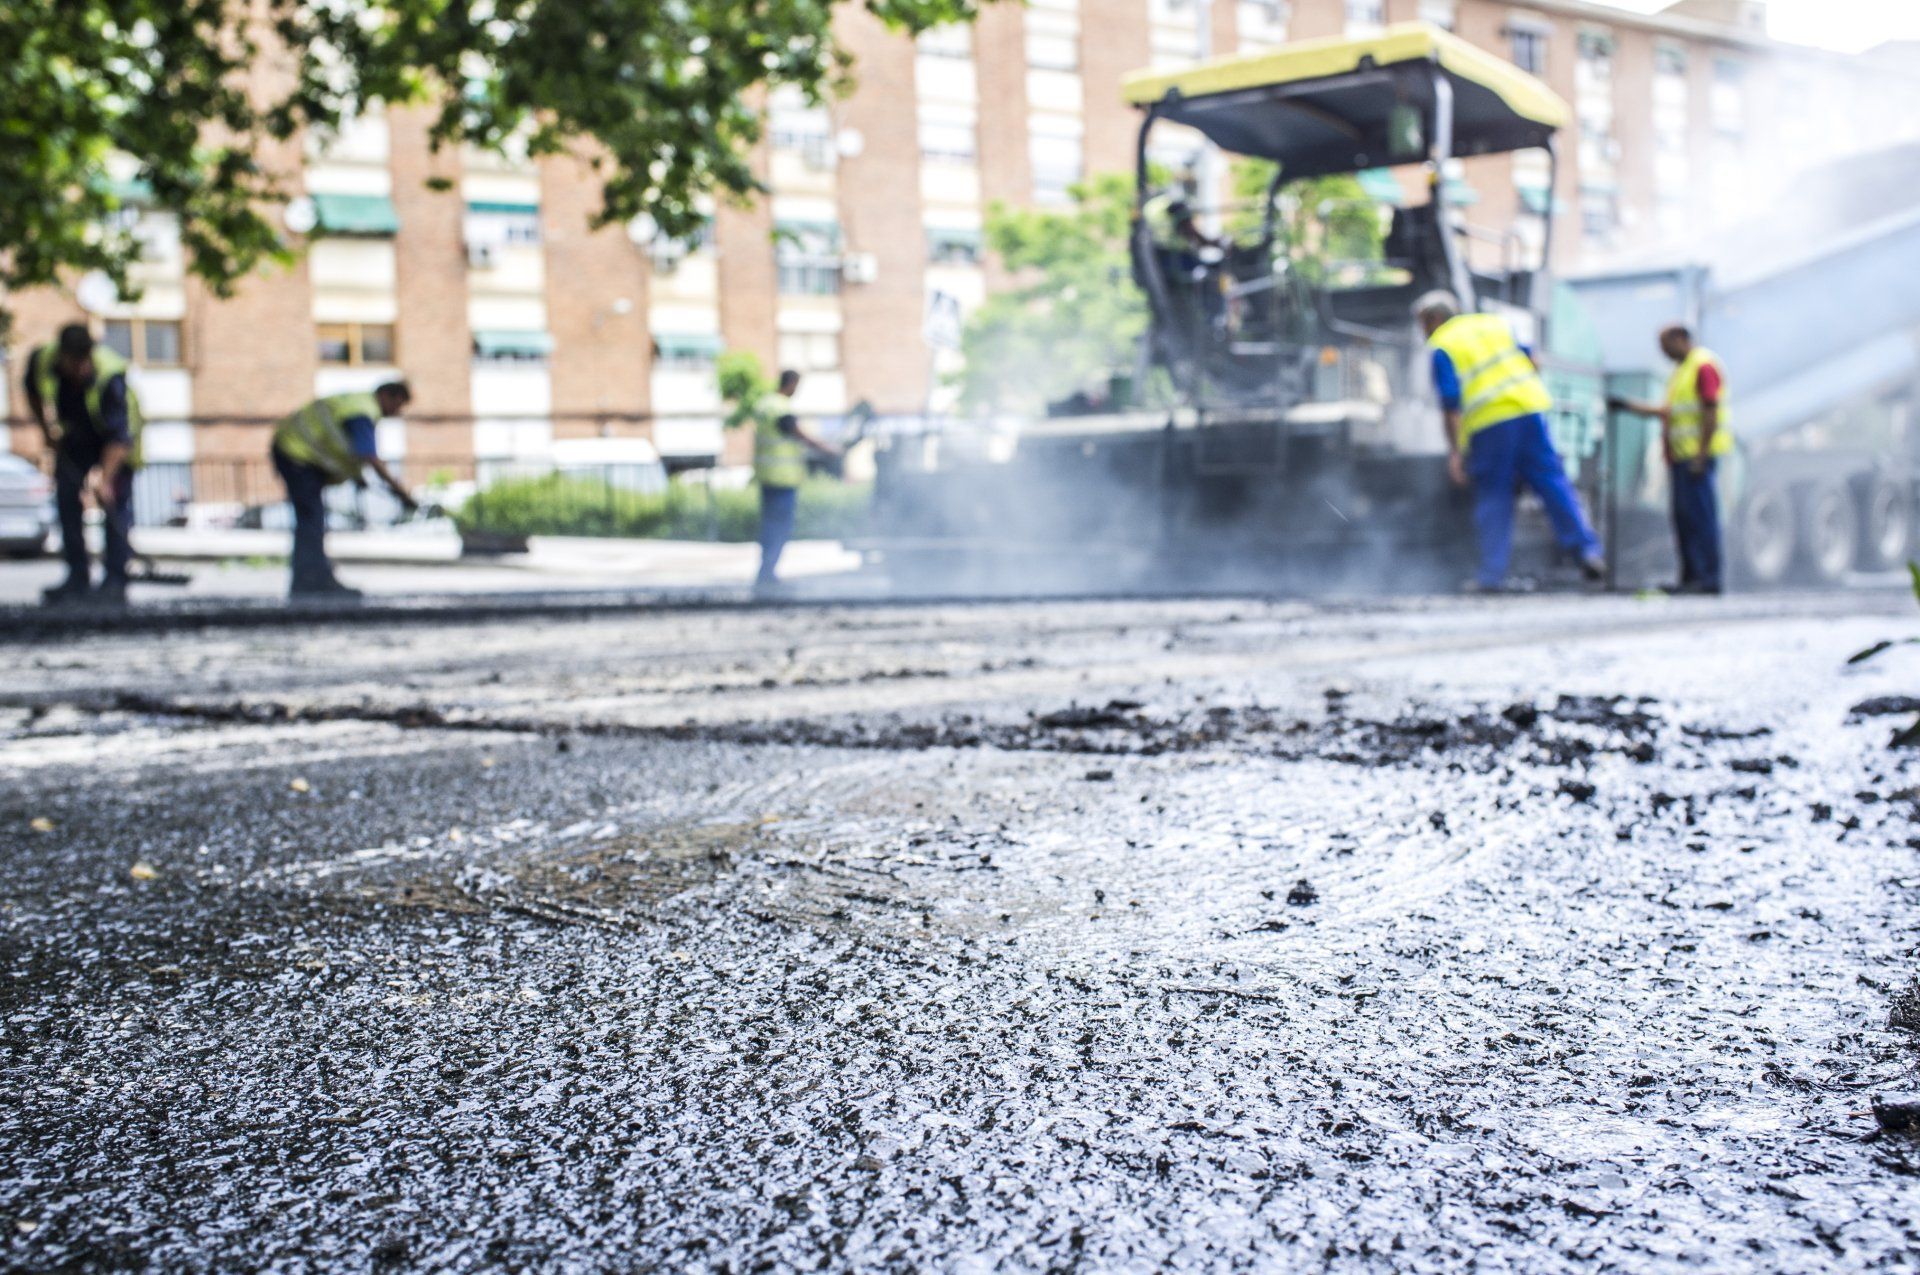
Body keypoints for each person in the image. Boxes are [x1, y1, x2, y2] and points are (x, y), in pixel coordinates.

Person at [1414, 291, 1606, 593]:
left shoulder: (1442, 345)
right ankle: (1588, 552)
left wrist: (1456, 453)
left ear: (1434, 319)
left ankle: (1492, 575)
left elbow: (1451, 404)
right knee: (1553, 484)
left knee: (1495, 497)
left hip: (1490, 423)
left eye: (1422, 324)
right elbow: (1533, 360)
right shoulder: (1493, 325)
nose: (1422, 332)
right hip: (1530, 411)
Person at [22, 323, 143, 607]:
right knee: (67, 500)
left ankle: (115, 580)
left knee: (115, 505)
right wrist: (47, 431)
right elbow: (32, 392)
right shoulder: (43, 360)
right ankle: (77, 577)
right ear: (62, 356)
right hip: (74, 437)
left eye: (84, 360)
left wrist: (104, 478)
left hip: (115, 442)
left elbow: (120, 436)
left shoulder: (109, 374)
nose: (81, 368)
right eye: (74, 361)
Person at [1610, 325, 1732, 595]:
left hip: (1696, 458)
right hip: (1680, 457)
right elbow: (1669, 412)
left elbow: (1710, 410)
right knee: (1684, 519)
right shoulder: (1682, 371)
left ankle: (1707, 579)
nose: (1662, 351)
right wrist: (1628, 406)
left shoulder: (1703, 366)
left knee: (1700, 519)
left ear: (1680, 339)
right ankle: (1691, 578)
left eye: (1665, 344)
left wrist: (1701, 454)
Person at [269, 383, 418, 599]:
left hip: (293, 451)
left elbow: (346, 447)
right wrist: (401, 493)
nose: (397, 412)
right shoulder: (362, 412)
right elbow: (369, 456)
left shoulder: (357, 403)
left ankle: (311, 578)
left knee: (311, 519)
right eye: (398, 404)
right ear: (386, 395)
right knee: (311, 518)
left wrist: (358, 477)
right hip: (296, 454)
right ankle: (310, 580)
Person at [754, 369, 840, 593]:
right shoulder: (780, 407)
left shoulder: (764, 404)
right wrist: (828, 449)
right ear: (791, 383)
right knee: (779, 528)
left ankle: (765, 573)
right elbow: (798, 433)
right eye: (797, 385)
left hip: (767, 477)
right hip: (782, 478)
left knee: (770, 527)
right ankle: (767, 575)